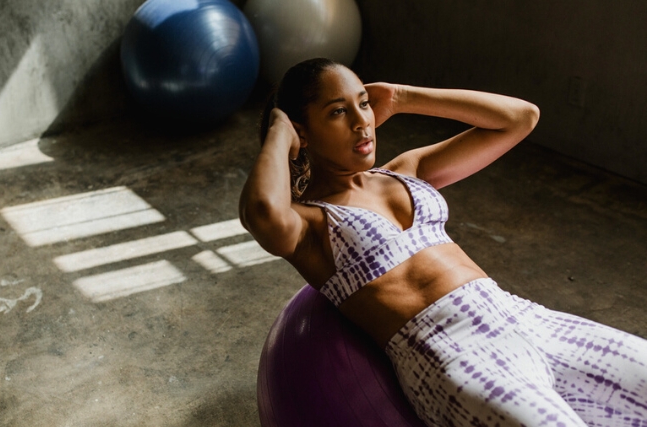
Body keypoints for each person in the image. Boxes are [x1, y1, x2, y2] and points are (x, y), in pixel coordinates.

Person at [239, 58, 647, 427]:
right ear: (302, 133)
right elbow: (262, 212)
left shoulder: (405, 171)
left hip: (525, 319)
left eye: (363, 103)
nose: (361, 122)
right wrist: (278, 132)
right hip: (456, 356)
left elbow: (521, 118)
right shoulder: (309, 223)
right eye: (338, 112)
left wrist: (401, 97)